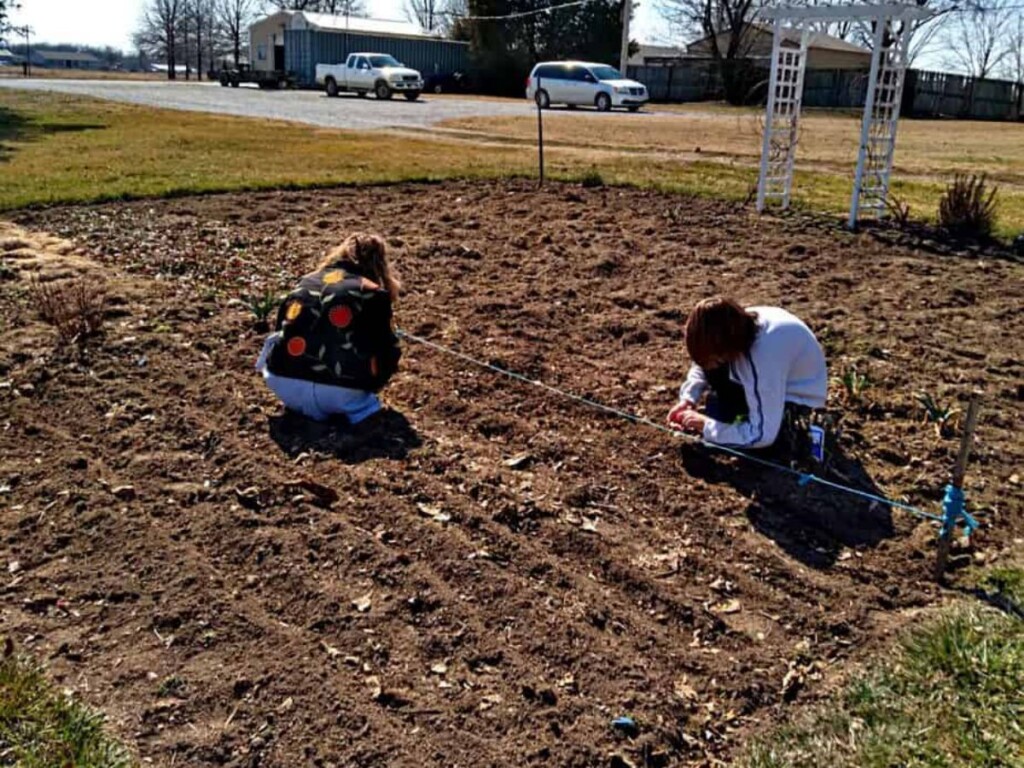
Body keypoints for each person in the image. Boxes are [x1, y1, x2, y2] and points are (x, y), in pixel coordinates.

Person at [256, 233, 401, 425]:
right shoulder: (374, 294)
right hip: (343, 393)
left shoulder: (305, 282)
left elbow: (281, 331)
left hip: (283, 383)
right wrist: (374, 382)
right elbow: (388, 348)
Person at [667, 297, 827, 454]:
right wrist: (688, 398)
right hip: (764, 378)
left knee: (775, 445)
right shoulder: (730, 327)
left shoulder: (763, 355)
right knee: (718, 392)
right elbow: (703, 363)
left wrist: (706, 426)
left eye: (714, 360)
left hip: (796, 400)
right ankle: (729, 423)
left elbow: (762, 435)